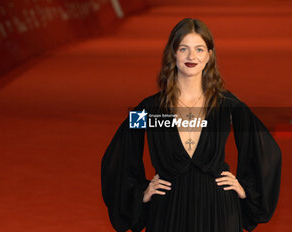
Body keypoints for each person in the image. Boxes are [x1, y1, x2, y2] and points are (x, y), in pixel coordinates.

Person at [101, 18, 282, 232]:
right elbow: (118, 154)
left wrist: (246, 189)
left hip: (219, 211)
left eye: (199, 49)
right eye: (183, 48)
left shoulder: (229, 106)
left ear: (209, 56)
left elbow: (267, 150)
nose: (191, 56)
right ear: (173, 53)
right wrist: (141, 191)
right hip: (167, 211)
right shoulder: (149, 109)